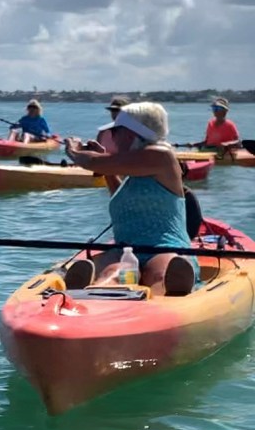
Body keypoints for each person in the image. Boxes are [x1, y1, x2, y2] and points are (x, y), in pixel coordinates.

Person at [62, 101, 197, 296]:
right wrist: (107, 171)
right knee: (113, 272)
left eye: (116, 132)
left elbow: (90, 161)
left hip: (165, 247)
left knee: (160, 272)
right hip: (126, 251)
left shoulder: (161, 156)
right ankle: (92, 294)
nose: (113, 138)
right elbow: (121, 198)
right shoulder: (132, 172)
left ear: (132, 132)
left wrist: (74, 151)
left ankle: (170, 294)